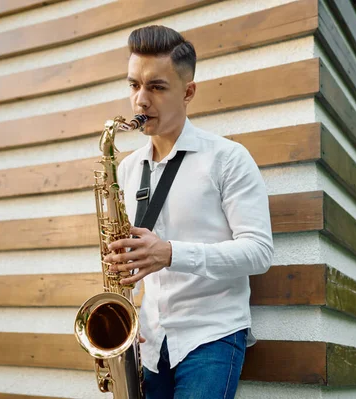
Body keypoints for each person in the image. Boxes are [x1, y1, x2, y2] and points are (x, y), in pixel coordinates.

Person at [104, 25, 274, 399]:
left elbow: (259, 252)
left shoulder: (227, 159)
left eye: (157, 87)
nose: (141, 101)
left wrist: (170, 253)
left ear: (188, 91)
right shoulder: (126, 169)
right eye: (134, 85)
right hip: (148, 341)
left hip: (210, 335)